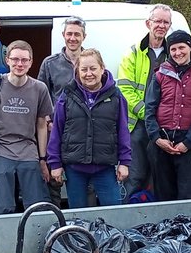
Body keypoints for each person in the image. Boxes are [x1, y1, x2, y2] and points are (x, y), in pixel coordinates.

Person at [0, 40, 52, 214]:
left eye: (24, 60)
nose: (19, 64)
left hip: (29, 152)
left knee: (37, 209)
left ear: (31, 62)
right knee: (0, 209)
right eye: (15, 59)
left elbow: (41, 125)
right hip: (0, 151)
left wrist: (42, 159)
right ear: (7, 60)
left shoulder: (39, 88)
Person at [47, 49, 130, 208]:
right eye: (84, 69)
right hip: (74, 169)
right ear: (77, 71)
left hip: (105, 168)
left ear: (102, 68)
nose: (88, 73)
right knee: (77, 215)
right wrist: (55, 163)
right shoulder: (67, 95)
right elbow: (57, 130)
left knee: (113, 212)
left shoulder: (116, 96)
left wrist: (125, 162)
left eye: (93, 68)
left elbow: (123, 131)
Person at [144, 29, 191, 201]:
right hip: (162, 142)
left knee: (188, 197)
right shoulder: (160, 73)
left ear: (190, 48)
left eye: (181, 47)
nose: (177, 53)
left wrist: (188, 142)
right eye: (173, 49)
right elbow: (149, 108)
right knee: (163, 196)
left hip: (190, 143)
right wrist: (156, 138)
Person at [117, 4, 172, 198]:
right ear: (148, 23)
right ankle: (128, 215)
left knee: (160, 178)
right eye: (158, 21)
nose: (161, 26)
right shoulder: (133, 53)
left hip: (165, 126)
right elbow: (124, 89)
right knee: (135, 176)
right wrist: (147, 113)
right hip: (138, 126)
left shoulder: (174, 53)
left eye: (166, 22)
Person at [39, 16, 86, 203]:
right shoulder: (49, 63)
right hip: (56, 131)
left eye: (77, 34)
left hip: (83, 132)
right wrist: (48, 121)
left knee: (85, 184)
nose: (72, 38)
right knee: (53, 180)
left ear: (84, 36)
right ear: (63, 35)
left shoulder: (91, 61)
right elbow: (41, 96)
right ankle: (54, 218)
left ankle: (86, 219)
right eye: (69, 34)